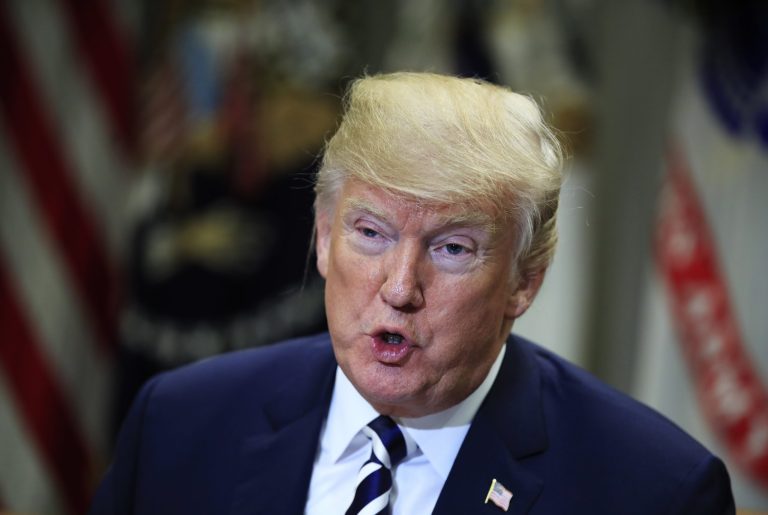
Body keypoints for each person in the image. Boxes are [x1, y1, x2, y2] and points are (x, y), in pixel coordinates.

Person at [90, 72, 735, 514]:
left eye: (452, 249)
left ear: (525, 280)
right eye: (370, 233)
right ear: (322, 238)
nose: (399, 289)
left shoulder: (653, 491)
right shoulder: (178, 425)